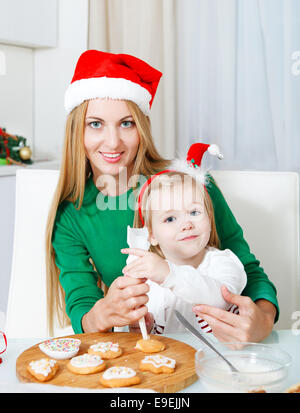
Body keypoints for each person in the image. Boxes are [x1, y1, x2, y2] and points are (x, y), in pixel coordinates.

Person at [46, 49, 279, 343]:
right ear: (76, 131)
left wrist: (263, 319)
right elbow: (83, 306)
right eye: (96, 124)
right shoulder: (72, 216)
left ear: (141, 128)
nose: (113, 141)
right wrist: (104, 313)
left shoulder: (186, 182)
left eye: (126, 123)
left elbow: (246, 266)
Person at [121, 146, 248, 333]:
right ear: (152, 235)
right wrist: (141, 327)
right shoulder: (149, 280)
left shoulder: (223, 263)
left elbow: (221, 299)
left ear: (209, 218)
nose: (187, 224)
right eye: (170, 218)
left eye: (194, 212)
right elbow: (145, 335)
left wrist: (168, 274)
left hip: (218, 358)